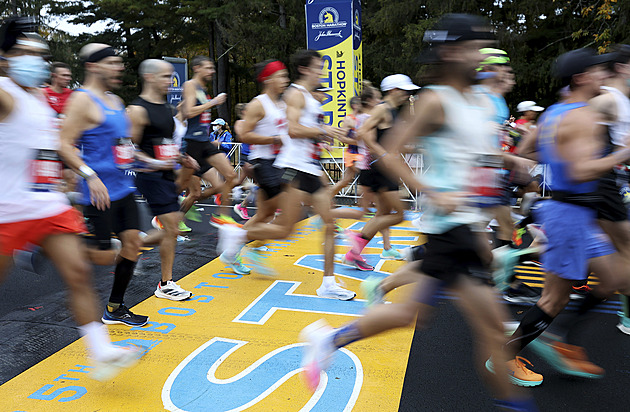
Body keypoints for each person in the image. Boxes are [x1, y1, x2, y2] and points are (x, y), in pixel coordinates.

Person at [300, 14, 538, 412]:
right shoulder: (435, 99)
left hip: (466, 223)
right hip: (450, 228)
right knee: (492, 331)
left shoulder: (478, 101)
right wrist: (432, 191)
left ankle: (329, 340)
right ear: (451, 51)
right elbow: (391, 153)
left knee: (414, 314)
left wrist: (506, 160)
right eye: (474, 48)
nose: (480, 56)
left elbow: (471, 156)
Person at [0, 17, 138, 380]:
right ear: (4, 59)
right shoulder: (5, 92)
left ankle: (101, 351)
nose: (34, 60)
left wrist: (66, 177)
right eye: (22, 53)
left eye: (38, 54)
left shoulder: (41, 96)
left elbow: (47, 147)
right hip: (7, 210)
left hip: (47, 204)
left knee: (79, 272)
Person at [497, 48, 630, 384]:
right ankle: (504, 356)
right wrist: (624, 152)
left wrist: (540, 175)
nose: (605, 75)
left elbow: (525, 154)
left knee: (615, 280)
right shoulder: (582, 116)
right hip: (569, 213)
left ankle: (562, 342)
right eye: (599, 71)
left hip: (576, 213)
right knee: (554, 298)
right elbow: (582, 171)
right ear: (580, 77)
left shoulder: (555, 113)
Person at [219, 53, 356, 300]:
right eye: (317, 68)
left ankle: (328, 283)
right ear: (304, 69)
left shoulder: (301, 99)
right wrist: (321, 131)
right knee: (284, 229)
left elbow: (302, 130)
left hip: (306, 167)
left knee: (325, 223)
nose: (322, 73)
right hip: (289, 168)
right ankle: (240, 236)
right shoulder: (293, 95)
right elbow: (291, 130)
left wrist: (337, 136)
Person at [59, 43, 149, 327]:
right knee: (102, 257)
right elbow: (62, 144)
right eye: (112, 62)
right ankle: (48, 246)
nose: (119, 67)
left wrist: (145, 161)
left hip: (124, 189)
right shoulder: (82, 100)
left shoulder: (116, 101)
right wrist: (90, 175)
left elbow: (122, 145)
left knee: (133, 245)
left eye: (119, 63)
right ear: (93, 66)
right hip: (98, 192)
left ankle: (115, 308)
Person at [127, 58, 198, 301]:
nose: (171, 81)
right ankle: (165, 284)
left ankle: (135, 245)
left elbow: (165, 144)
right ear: (149, 77)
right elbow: (128, 148)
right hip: (150, 176)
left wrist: (182, 158)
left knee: (172, 227)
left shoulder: (167, 109)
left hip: (167, 174)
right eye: (166, 77)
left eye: (171, 76)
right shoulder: (138, 110)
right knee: (171, 226)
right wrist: (156, 163)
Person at [343, 73, 418, 270]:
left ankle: (354, 252)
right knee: (399, 214)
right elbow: (363, 133)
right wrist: (384, 155)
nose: (407, 95)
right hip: (380, 169)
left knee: (383, 213)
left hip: (382, 167)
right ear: (393, 90)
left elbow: (389, 140)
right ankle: (355, 241)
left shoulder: (393, 111)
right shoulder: (382, 109)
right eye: (405, 91)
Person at [589, 45, 630, 334]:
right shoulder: (608, 100)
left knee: (619, 253)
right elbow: (571, 123)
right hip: (603, 185)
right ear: (622, 67)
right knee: (625, 252)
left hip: (611, 184)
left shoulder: (621, 99)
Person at [177, 56, 238, 226]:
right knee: (185, 190)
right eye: (208, 68)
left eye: (212, 68)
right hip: (192, 143)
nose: (212, 71)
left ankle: (222, 216)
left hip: (204, 142)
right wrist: (213, 102)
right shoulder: (190, 85)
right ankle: (168, 217)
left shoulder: (203, 90)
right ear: (197, 68)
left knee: (230, 176)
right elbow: (189, 112)